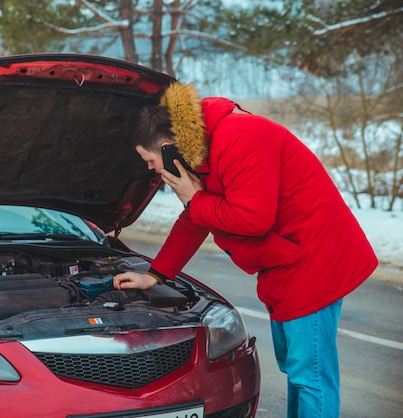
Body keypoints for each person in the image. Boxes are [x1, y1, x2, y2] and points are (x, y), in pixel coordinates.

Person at [113, 81, 378, 418]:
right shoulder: (201, 151)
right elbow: (197, 218)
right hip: (285, 261)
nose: (151, 168)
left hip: (313, 259)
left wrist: (196, 198)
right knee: (298, 372)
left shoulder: (239, 137)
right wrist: (155, 274)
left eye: (149, 159)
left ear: (166, 147)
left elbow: (254, 219)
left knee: (310, 376)